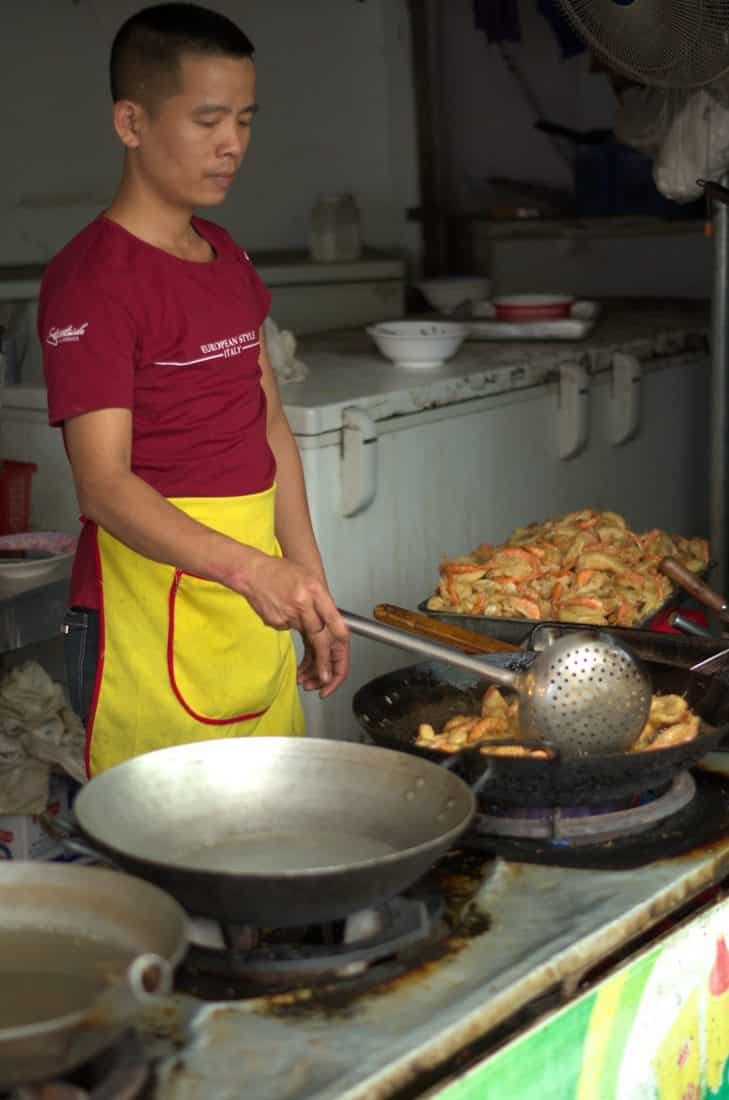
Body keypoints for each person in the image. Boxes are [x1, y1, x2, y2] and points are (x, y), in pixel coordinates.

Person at [38, 2, 350, 776]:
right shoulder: (91, 281)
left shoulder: (226, 255)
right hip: (151, 620)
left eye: (244, 119)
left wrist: (306, 579)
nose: (232, 144)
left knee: (273, 844)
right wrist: (252, 569)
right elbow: (104, 487)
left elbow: (269, 426)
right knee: (167, 873)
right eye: (208, 118)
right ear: (131, 122)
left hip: (248, 607)